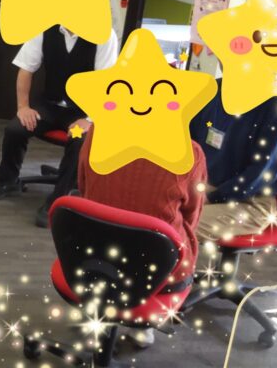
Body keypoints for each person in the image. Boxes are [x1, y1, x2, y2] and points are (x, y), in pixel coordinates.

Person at [77, 130, 206, 348]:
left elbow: (84, 188)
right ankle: (141, 328)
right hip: (159, 274)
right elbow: (192, 216)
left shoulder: (97, 134)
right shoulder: (190, 152)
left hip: (93, 261)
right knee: (173, 240)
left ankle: (102, 315)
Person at [0, 25, 119, 227]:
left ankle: (59, 199)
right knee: (15, 129)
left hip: (82, 111)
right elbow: (25, 69)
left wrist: (90, 119)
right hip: (50, 105)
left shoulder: (103, 34)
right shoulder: (45, 28)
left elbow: (106, 84)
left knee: (79, 140)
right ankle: (7, 181)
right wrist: (23, 107)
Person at [189, 79, 277, 243]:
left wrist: (212, 196)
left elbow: (261, 174)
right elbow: (189, 145)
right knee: (153, 214)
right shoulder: (211, 91)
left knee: (176, 228)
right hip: (202, 187)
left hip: (249, 201)